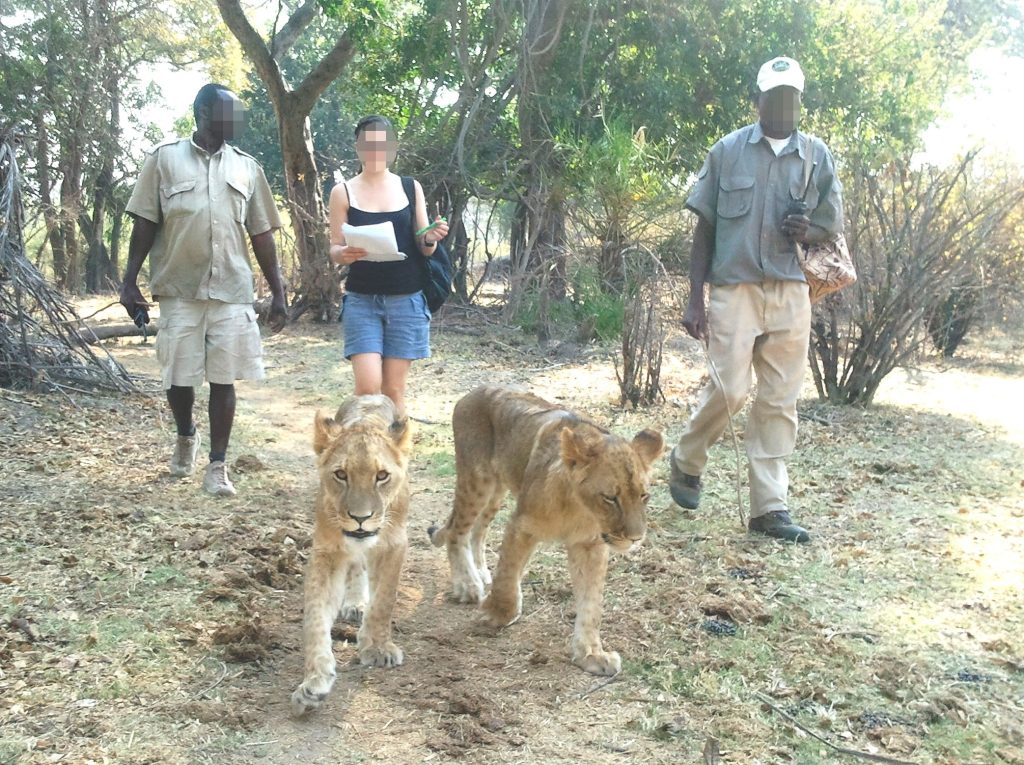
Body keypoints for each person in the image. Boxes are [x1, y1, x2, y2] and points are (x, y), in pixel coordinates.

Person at [668, 57, 844, 543]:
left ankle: (769, 508)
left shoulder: (816, 156)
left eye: (792, 96)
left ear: (800, 101)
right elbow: (705, 227)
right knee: (730, 389)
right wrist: (694, 299)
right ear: (758, 100)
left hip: (791, 289)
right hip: (735, 287)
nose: (783, 105)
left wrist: (809, 228)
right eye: (775, 96)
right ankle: (686, 460)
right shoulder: (727, 152)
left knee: (779, 400)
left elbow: (832, 222)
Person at [119, 83, 287, 497]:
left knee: (223, 378)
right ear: (206, 112)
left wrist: (279, 292)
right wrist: (129, 281)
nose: (241, 120)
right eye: (233, 112)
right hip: (179, 287)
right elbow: (144, 222)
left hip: (231, 288)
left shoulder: (248, 167)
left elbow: (262, 232)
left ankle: (217, 466)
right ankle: (185, 433)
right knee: (179, 376)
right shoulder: (164, 160)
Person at [328, 115, 449, 418]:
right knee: (368, 390)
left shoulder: (411, 188)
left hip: (406, 301)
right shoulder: (342, 192)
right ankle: (363, 460)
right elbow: (333, 247)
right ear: (358, 147)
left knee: (394, 392)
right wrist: (343, 253)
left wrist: (431, 237)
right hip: (362, 301)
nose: (376, 150)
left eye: (383, 143)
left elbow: (423, 243)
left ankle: (394, 461)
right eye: (369, 143)